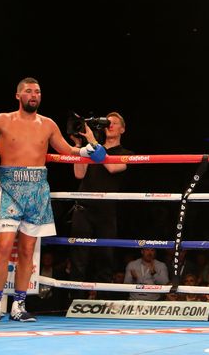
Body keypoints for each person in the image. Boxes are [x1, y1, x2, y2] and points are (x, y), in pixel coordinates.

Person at [0, 77, 106, 323]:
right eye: (28, 91)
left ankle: (19, 305)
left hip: (37, 187)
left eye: (37, 91)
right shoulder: (2, 120)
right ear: (18, 95)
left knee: (28, 250)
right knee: (4, 246)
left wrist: (87, 150)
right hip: (8, 186)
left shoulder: (48, 124)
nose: (34, 95)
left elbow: (66, 150)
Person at [68, 111, 133, 297]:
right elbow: (79, 174)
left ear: (123, 129)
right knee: (78, 256)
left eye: (114, 123)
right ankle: (74, 301)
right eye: (107, 123)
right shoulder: (92, 148)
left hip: (106, 210)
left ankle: (102, 302)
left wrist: (93, 144)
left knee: (105, 256)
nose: (110, 125)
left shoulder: (126, 154)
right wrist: (79, 146)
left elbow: (112, 167)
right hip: (84, 208)